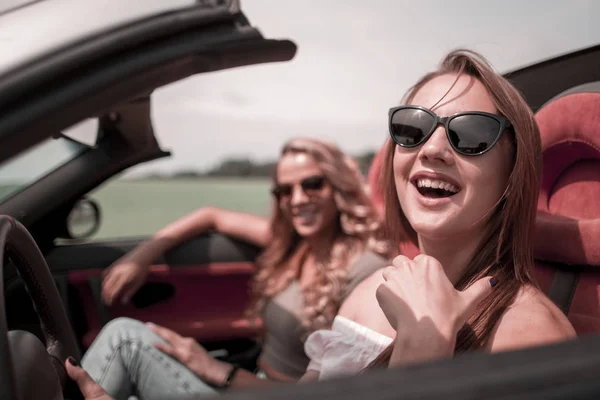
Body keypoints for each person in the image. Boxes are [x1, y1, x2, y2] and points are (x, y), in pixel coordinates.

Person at [66, 49, 578, 397]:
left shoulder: (533, 338)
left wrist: (426, 352)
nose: (433, 149)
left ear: (513, 173)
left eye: (471, 134)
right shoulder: (374, 291)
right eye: (412, 129)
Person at [71, 137, 389, 399]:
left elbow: (328, 394)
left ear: (338, 187)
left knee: (124, 339)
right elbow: (212, 215)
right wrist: (142, 255)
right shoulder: (294, 244)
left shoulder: (364, 272)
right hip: (246, 379)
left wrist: (219, 371)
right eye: (284, 191)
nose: (297, 199)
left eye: (312, 184)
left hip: (259, 390)